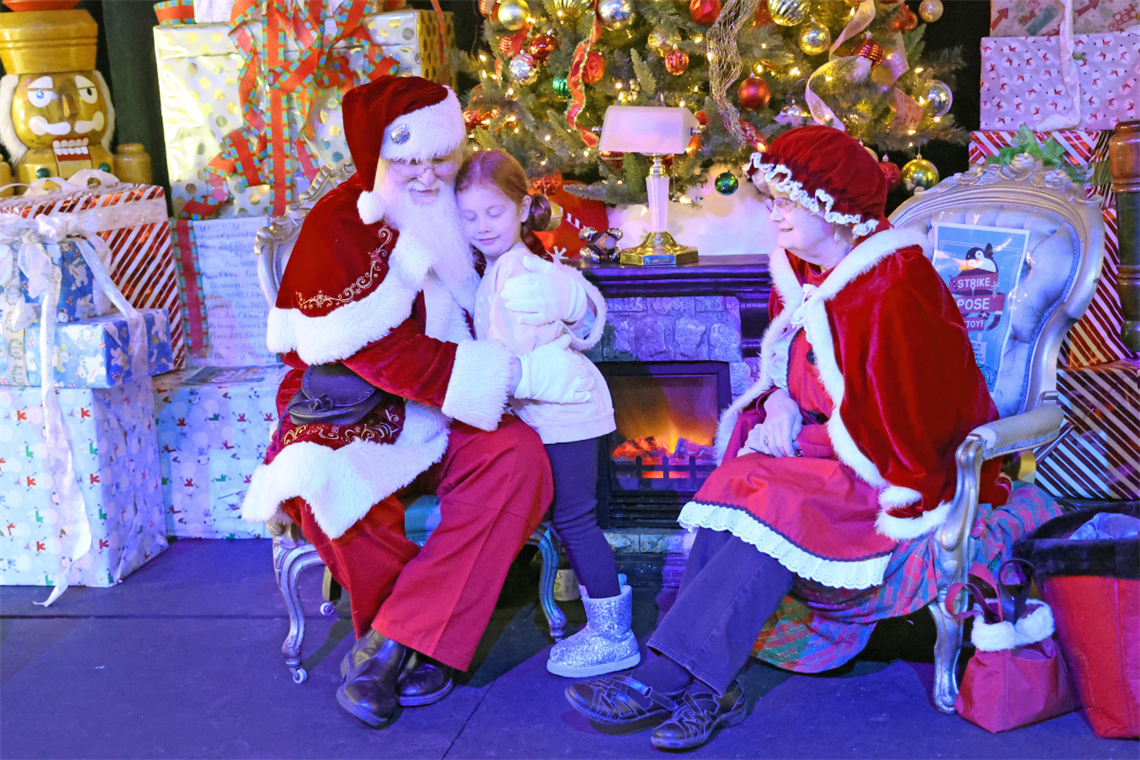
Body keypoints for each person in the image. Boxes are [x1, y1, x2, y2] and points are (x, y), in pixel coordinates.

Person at [563, 125, 1018, 750]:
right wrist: (777, 400)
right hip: (818, 453)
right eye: (772, 198)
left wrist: (803, 439)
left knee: (768, 498)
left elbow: (909, 422)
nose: (773, 212)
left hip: (886, 475)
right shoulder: (807, 271)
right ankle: (705, 688)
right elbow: (792, 368)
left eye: (786, 200)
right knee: (736, 484)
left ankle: (666, 677)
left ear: (832, 209)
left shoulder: (895, 286)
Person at [240, 76, 591, 730]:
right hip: (347, 414)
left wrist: (565, 297)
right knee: (340, 498)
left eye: (442, 159)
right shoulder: (342, 222)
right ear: (377, 157)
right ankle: (416, 640)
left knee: (516, 460)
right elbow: (371, 352)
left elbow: (509, 258)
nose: (430, 177)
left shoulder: (456, 205)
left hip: (441, 405)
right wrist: (493, 375)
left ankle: (388, 649)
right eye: (412, 162)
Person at [455, 149, 640, 679]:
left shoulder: (521, 275)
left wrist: (492, 388)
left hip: (566, 413)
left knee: (576, 520)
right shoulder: (495, 270)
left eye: (493, 211)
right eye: (468, 216)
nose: (482, 226)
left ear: (519, 207)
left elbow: (521, 361)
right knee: (569, 521)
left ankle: (614, 634)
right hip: (550, 413)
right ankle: (603, 623)